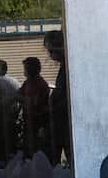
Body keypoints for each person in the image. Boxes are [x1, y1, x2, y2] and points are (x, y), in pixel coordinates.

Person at [45, 31, 71, 166]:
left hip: (65, 120)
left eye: (51, 50)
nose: (50, 55)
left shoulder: (69, 68)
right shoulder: (64, 67)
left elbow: (66, 95)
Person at [20, 56, 51, 156]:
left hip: (37, 122)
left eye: (25, 68)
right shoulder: (27, 83)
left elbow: (34, 102)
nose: (24, 71)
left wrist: (21, 99)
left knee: (36, 152)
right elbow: (19, 93)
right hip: (28, 122)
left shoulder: (40, 84)